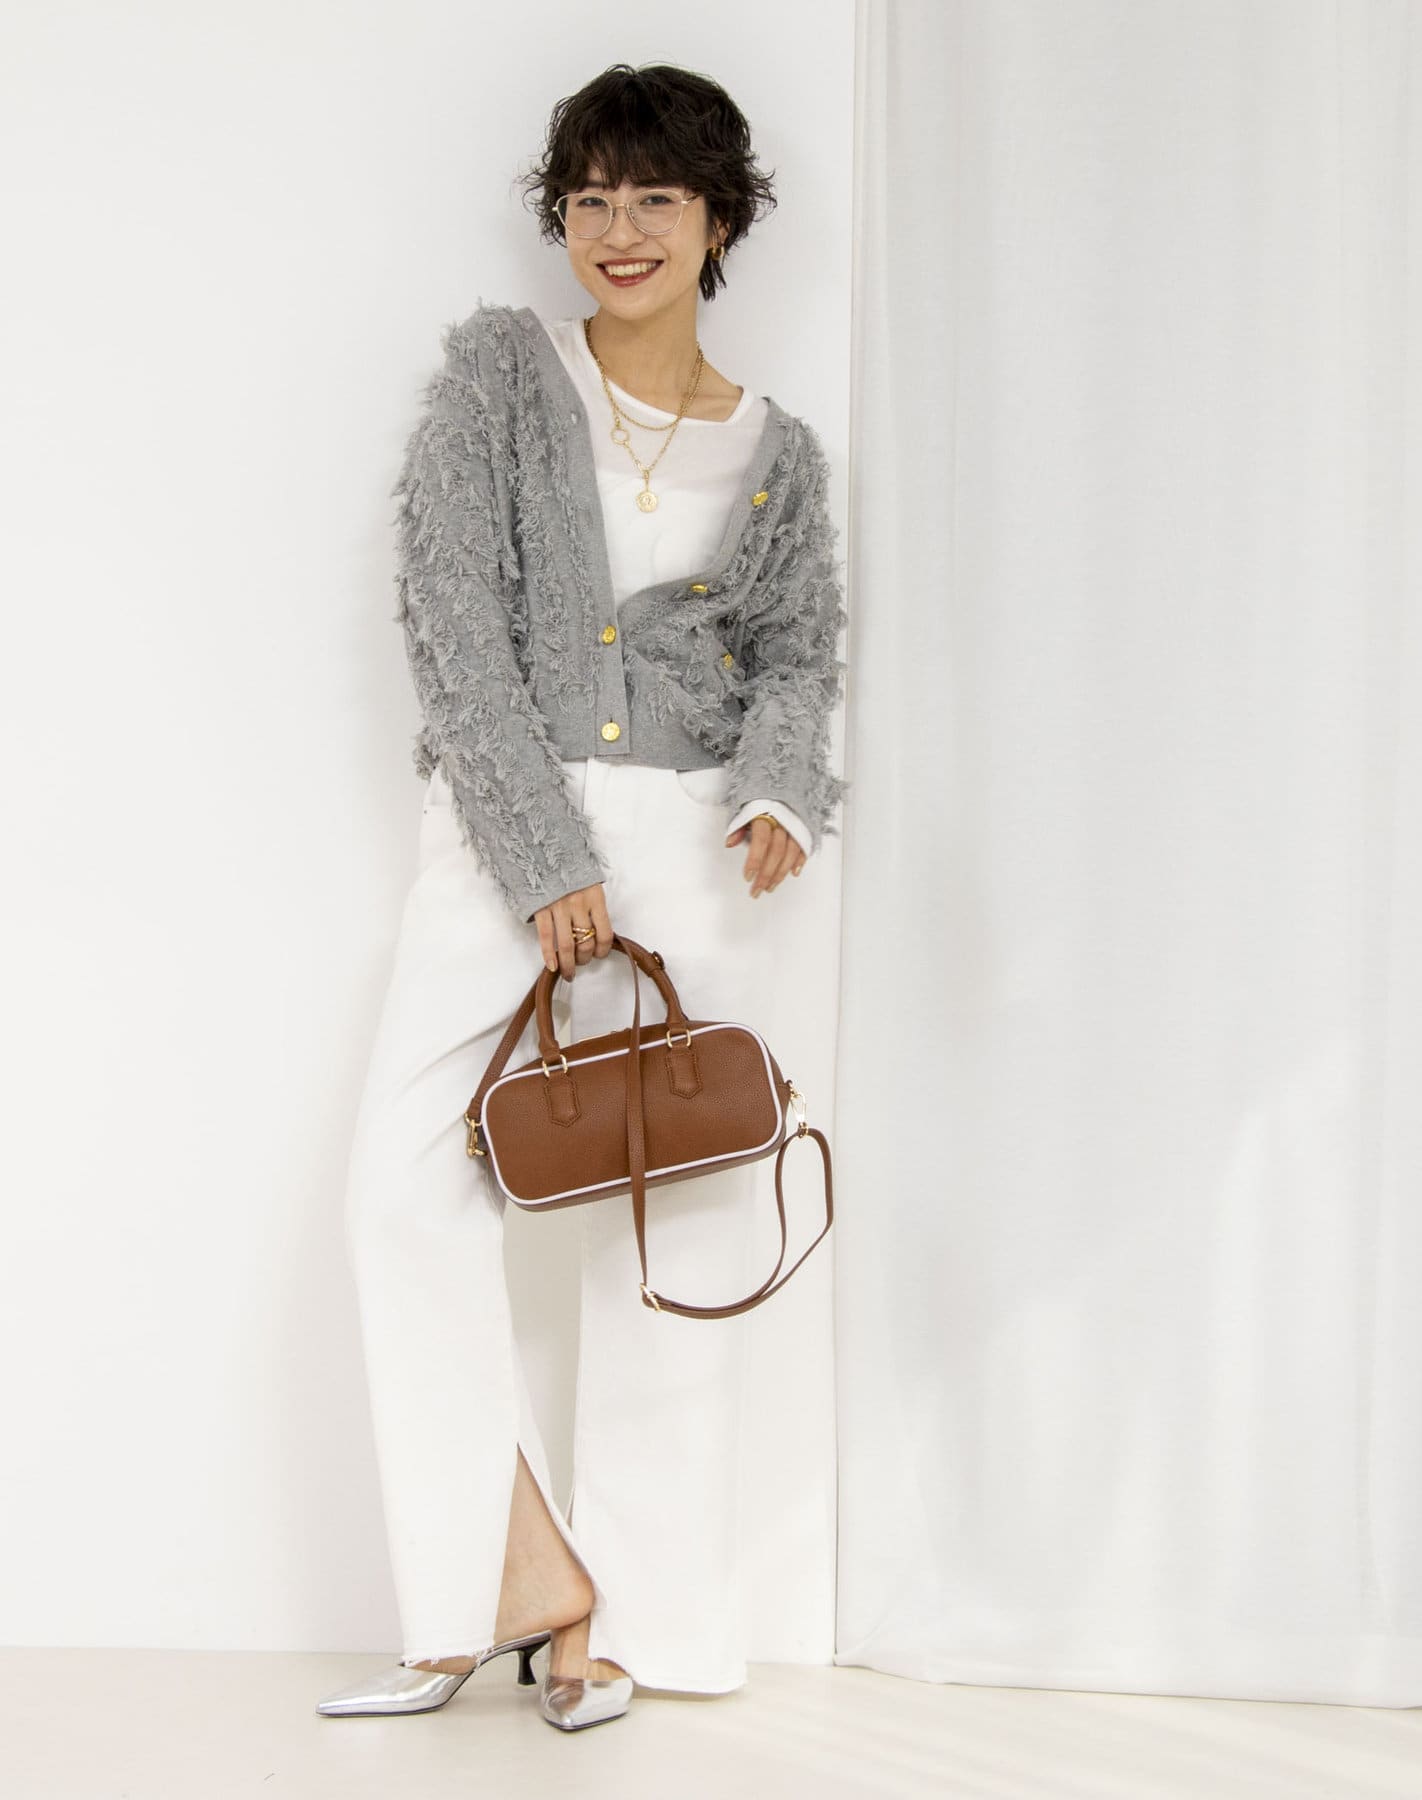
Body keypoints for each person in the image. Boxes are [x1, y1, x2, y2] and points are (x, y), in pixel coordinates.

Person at [316, 61, 849, 1734]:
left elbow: (798, 651)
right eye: (591, 199)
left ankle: (638, 1630)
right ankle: (513, 1577)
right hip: (508, 835)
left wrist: (781, 788)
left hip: (704, 846)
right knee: (400, 1194)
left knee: (671, 1224)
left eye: (657, 198)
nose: (620, 230)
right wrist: (546, 856)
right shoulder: (500, 378)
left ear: (720, 222)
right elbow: (450, 616)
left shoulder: (778, 447)